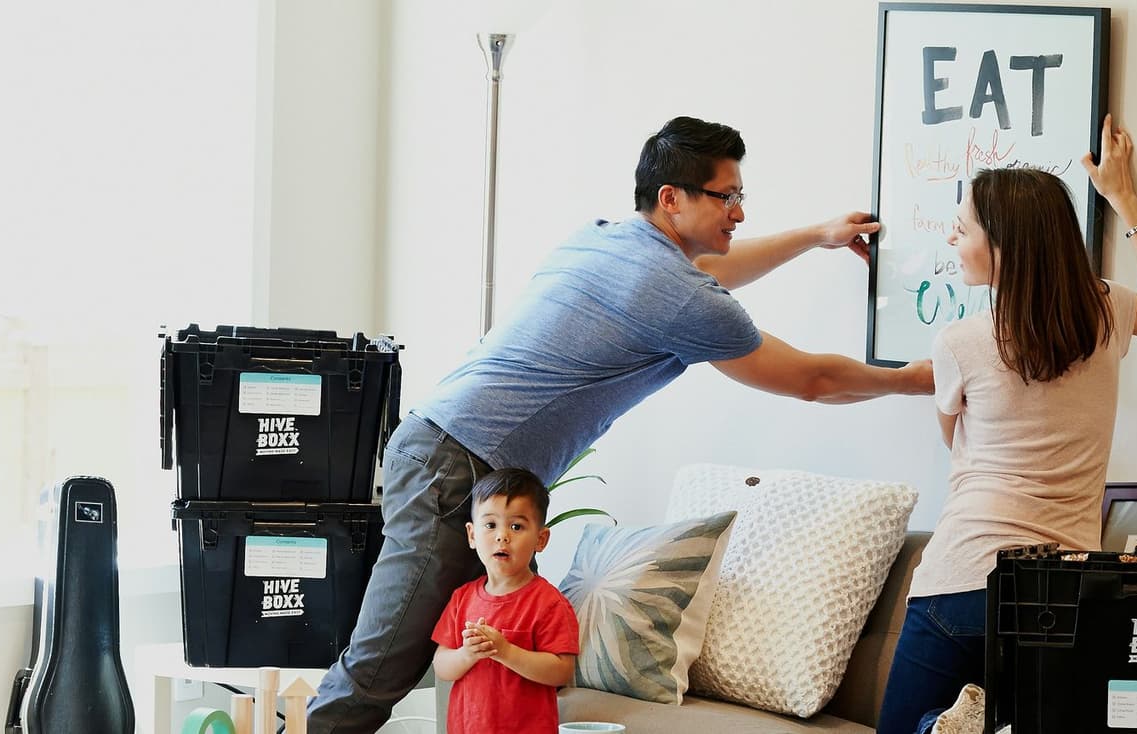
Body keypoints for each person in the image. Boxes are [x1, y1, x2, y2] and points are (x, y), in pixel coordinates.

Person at [307, 115, 933, 733]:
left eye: (741, 196)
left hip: (440, 450)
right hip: (457, 466)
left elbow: (710, 271)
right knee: (380, 668)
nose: (739, 213)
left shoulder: (605, 238)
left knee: (442, 663)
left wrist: (815, 236)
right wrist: (910, 379)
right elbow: (811, 381)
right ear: (672, 199)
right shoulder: (679, 296)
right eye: (727, 196)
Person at [875, 115, 1137, 734]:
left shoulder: (963, 341)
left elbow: (954, 442)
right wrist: (1125, 198)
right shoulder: (1107, 311)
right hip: (1064, 589)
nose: (952, 239)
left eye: (962, 228)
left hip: (963, 579)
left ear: (1003, 244)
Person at [429, 469, 579, 734]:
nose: (502, 536)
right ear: (472, 535)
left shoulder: (549, 603)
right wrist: (467, 654)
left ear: (540, 539)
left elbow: (561, 671)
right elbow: (442, 665)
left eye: (516, 526)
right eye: (490, 525)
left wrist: (505, 651)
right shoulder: (462, 598)